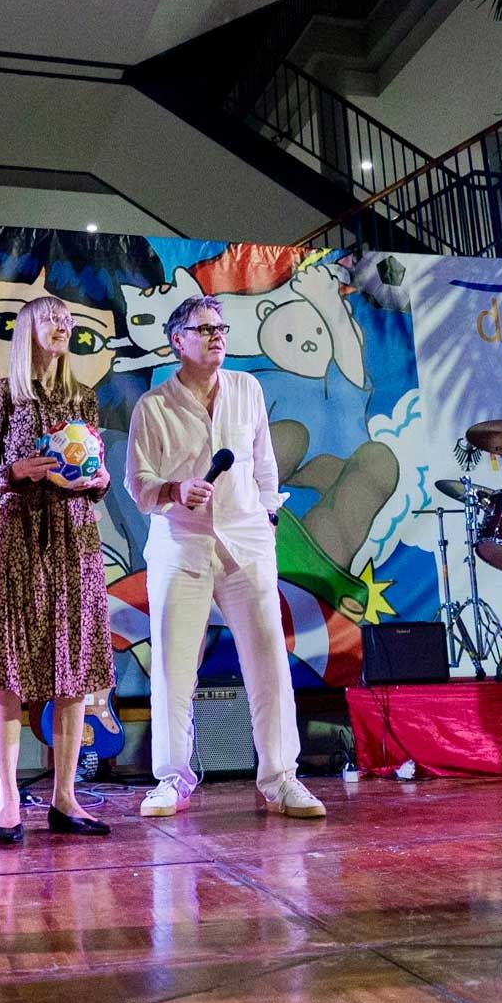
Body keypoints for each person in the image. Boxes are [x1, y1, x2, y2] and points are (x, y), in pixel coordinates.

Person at [126, 296, 325, 821]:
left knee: (268, 660)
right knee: (173, 665)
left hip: (247, 544)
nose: (217, 335)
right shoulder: (153, 406)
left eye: (221, 327)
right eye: (204, 328)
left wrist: (268, 519)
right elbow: (138, 485)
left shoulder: (247, 389)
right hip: (181, 545)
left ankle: (282, 780)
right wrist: (174, 489)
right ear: (177, 341)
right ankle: (171, 779)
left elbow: (264, 468)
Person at [0, 296, 115, 841]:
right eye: (52, 319)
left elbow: (98, 470)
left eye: (67, 321)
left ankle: (65, 797)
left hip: (75, 537)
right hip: (22, 537)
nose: (63, 327)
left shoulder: (83, 398)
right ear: (28, 328)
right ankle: (8, 801)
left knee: (72, 672)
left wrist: (94, 482)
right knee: (11, 672)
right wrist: (18, 469)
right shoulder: (1, 395)